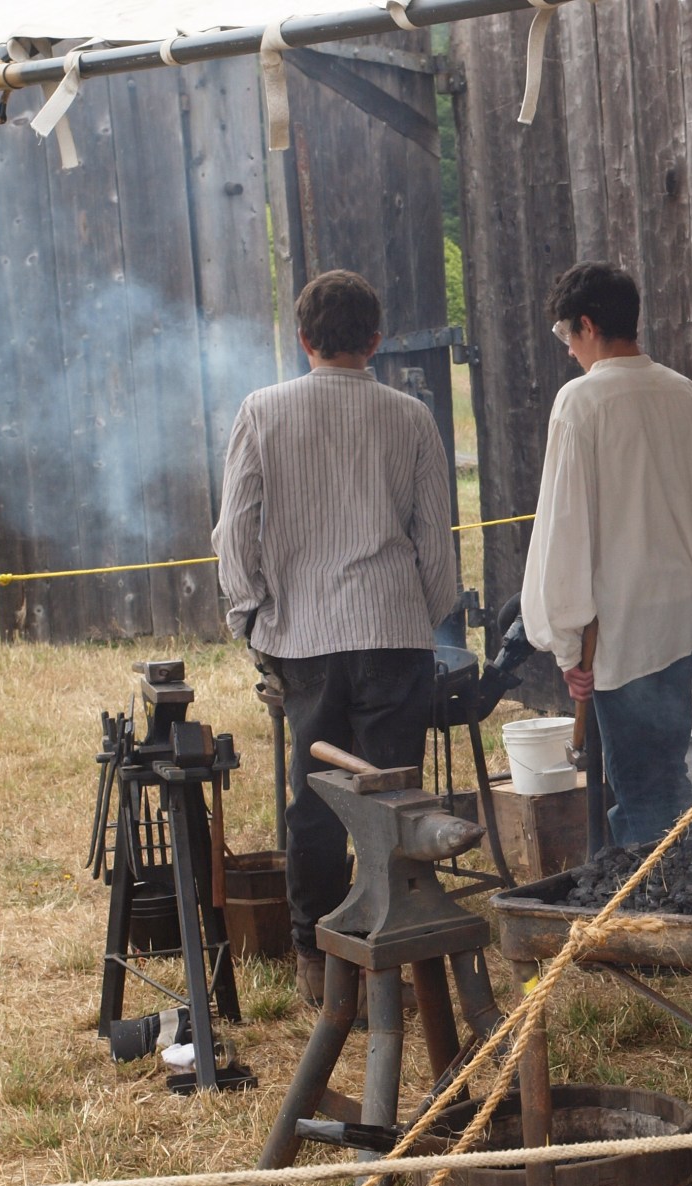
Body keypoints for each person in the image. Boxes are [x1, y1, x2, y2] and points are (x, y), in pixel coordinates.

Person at [213, 269, 457, 1007]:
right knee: (393, 799)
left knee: (314, 802)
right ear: (375, 341)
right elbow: (434, 541)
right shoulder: (411, 417)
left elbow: (233, 533)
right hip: (393, 633)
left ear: (303, 339)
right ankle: (387, 953)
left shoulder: (262, 411)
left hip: (305, 638)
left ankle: (315, 956)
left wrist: (251, 619)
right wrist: (423, 618)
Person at [521, 263, 692, 846]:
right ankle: (673, 879)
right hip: (677, 624)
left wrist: (566, 643)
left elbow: (564, 532)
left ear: (588, 325)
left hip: (619, 633)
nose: (569, 350)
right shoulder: (682, 393)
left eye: (567, 335)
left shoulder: (581, 401)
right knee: (661, 774)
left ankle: (656, 894)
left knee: (641, 790)